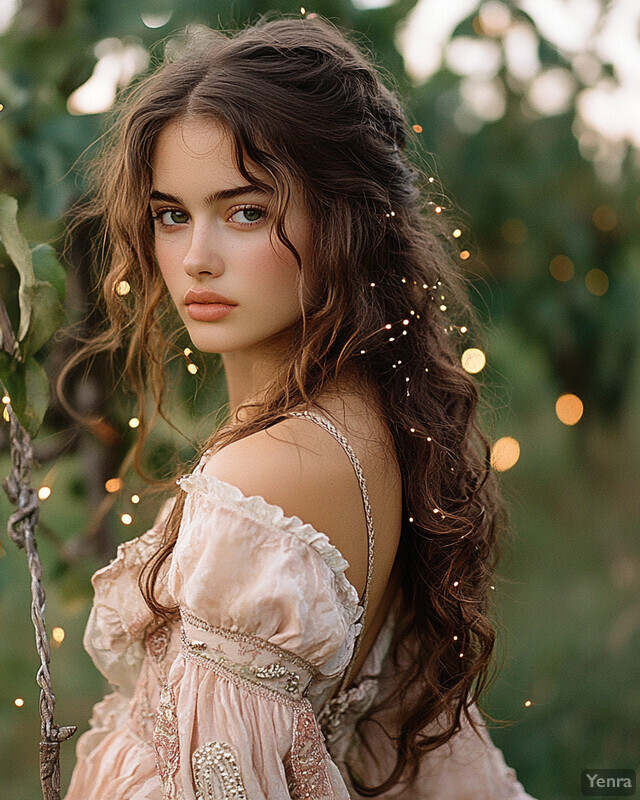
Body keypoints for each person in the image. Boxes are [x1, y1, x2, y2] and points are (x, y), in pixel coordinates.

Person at [60, 14, 536, 800]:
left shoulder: (269, 476)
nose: (196, 259)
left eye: (246, 211)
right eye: (172, 214)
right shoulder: (373, 411)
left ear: (342, 219)